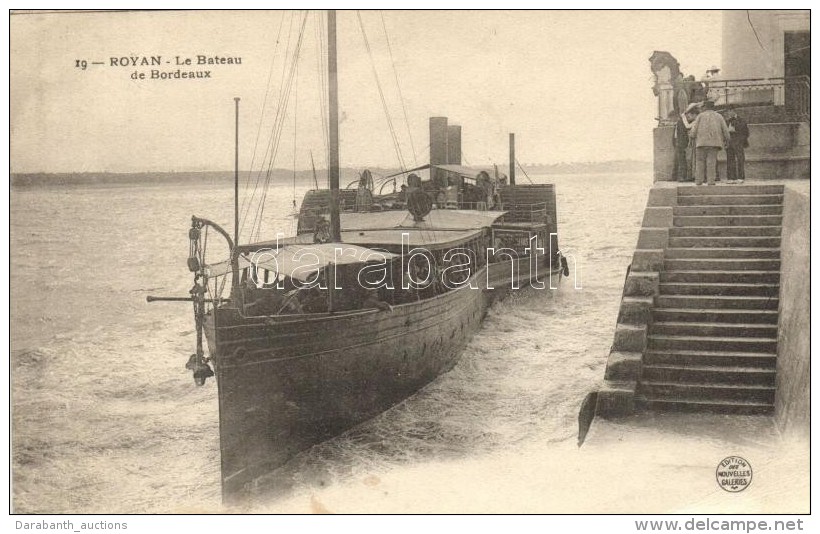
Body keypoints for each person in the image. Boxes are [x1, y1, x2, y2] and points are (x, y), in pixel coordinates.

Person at [688, 100, 730, 186]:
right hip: (714, 144)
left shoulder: (700, 116)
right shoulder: (719, 116)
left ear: (705, 107)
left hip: (701, 143)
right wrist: (727, 140)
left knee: (700, 162)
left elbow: (693, 131)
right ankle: (711, 181)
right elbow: (725, 130)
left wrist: (692, 137)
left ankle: (699, 181)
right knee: (711, 162)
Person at [725, 107, 750, 184]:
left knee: (740, 159)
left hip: (738, 143)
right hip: (729, 143)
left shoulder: (741, 120)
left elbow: (746, 132)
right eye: (728, 111)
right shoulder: (726, 121)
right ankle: (731, 177)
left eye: (730, 111)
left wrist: (736, 131)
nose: (729, 113)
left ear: (734, 111)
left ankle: (741, 177)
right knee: (730, 160)